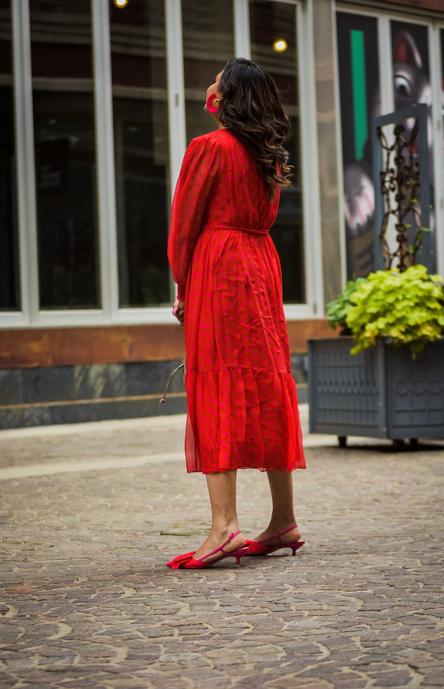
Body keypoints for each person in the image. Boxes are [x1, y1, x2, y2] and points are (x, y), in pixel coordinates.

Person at [166, 58, 307, 570]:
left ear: (227, 97)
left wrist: (182, 283)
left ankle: (224, 526)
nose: (209, 87)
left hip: (220, 268)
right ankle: (283, 518)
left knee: (217, 381)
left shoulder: (210, 148)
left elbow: (184, 224)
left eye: (217, 82)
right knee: (267, 381)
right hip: (261, 266)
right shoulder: (265, 156)